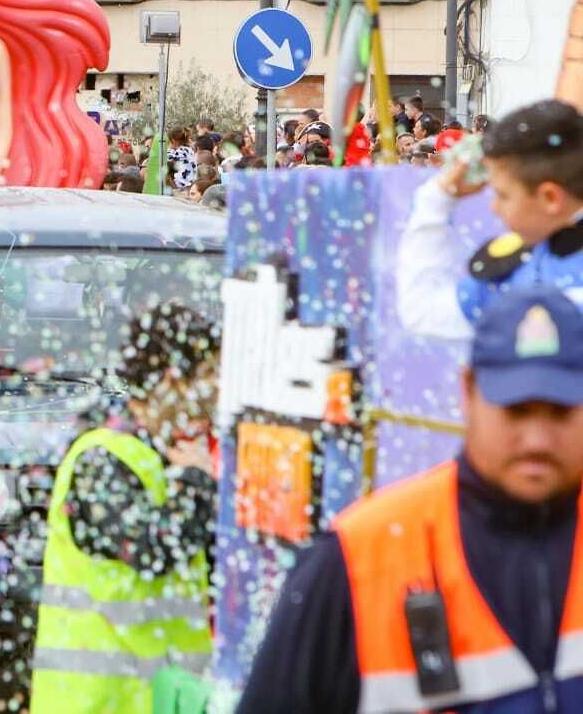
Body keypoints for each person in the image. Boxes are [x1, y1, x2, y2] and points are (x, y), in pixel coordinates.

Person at [238, 285, 583, 713]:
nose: (537, 438)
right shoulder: (356, 558)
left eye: (560, 411)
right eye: (516, 410)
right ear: (468, 392)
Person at [30, 302, 216, 713]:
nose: (218, 389)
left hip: (162, 698)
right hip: (103, 702)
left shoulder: (168, 451)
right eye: (207, 375)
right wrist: (198, 482)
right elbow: (151, 549)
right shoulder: (103, 458)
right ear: (172, 381)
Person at [398, 99, 583, 341]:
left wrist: (437, 199)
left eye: (503, 195)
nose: (495, 208)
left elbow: (424, 311)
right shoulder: (517, 268)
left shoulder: (515, 279)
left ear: (550, 197)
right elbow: (423, 312)